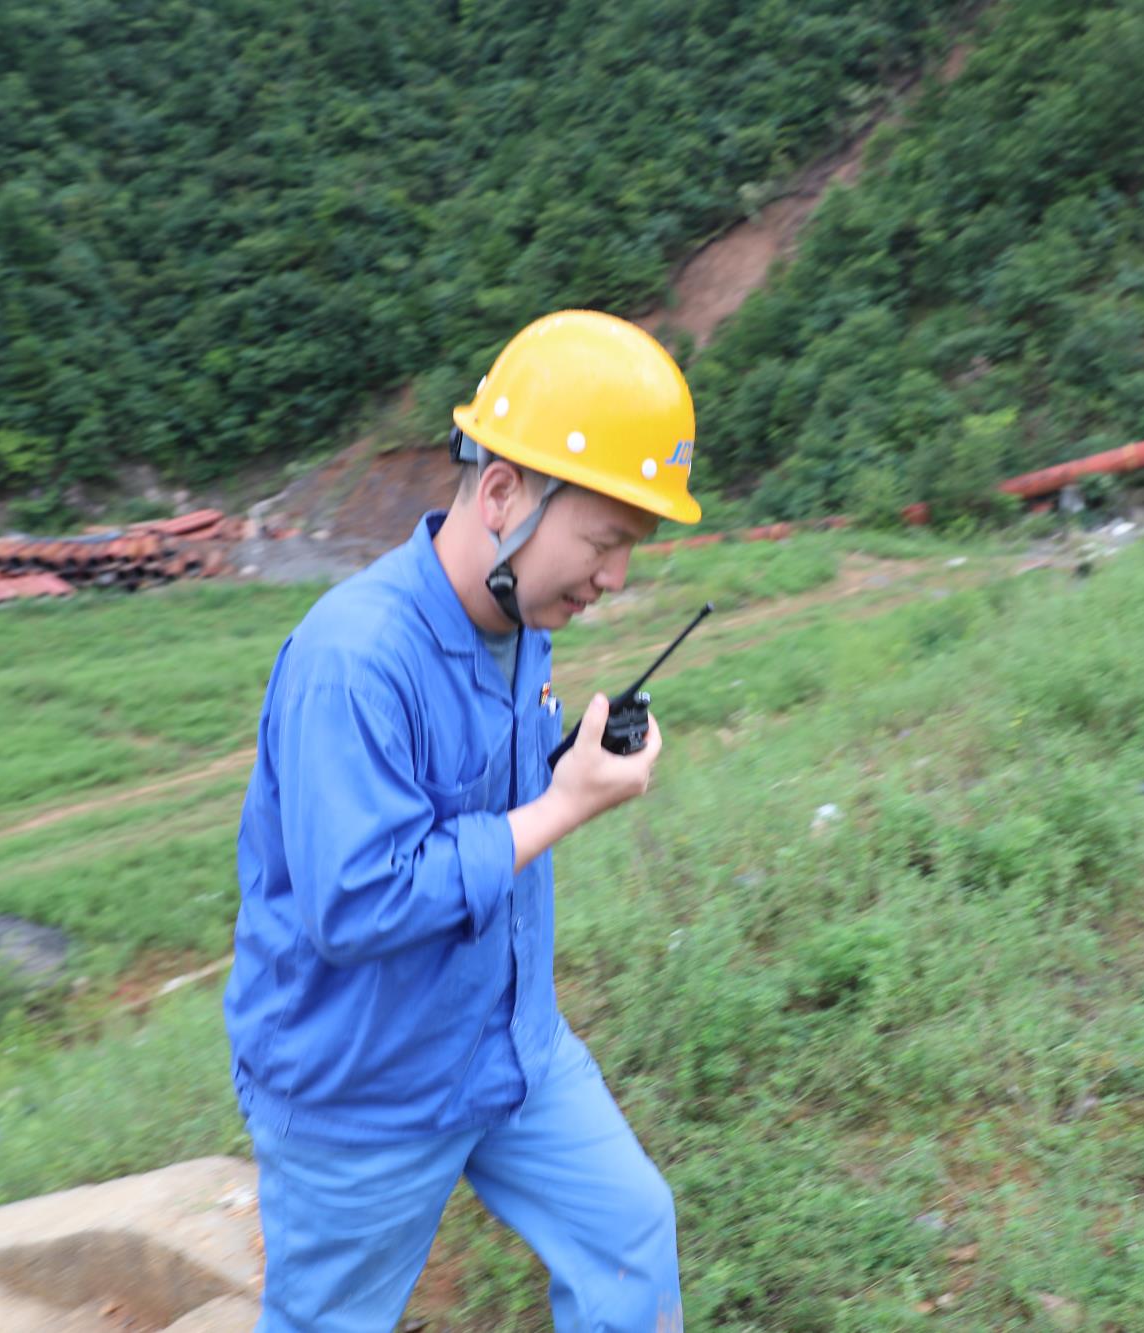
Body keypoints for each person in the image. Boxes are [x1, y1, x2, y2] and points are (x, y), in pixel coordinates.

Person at [224, 310, 702, 1332]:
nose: (615, 578)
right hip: (364, 1088)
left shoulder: (519, 621)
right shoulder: (354, 660)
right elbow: (356, 902)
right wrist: (564, 806)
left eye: (631, 549)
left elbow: (490, 796)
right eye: (604, 542)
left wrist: (567, 766)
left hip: (508, 1045)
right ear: (502, 495)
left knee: (630, 1232)